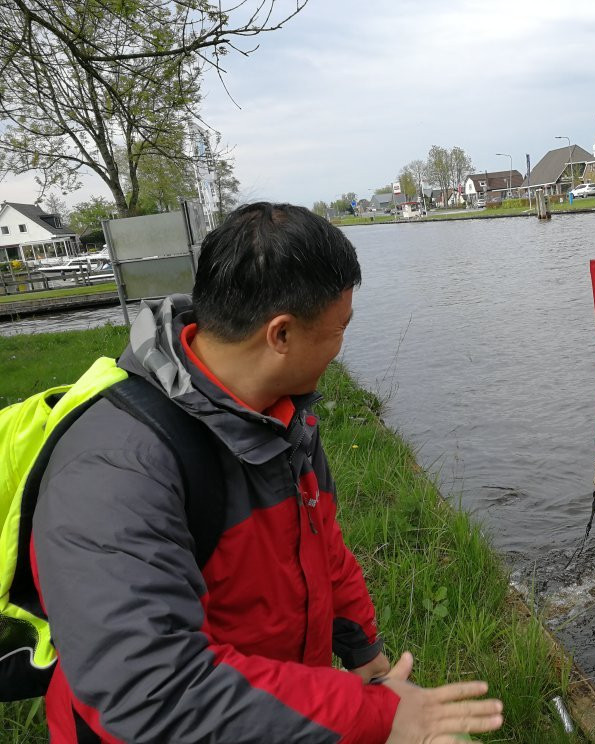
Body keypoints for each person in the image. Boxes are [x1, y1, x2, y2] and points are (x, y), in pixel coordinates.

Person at [32, 203, 504, 743]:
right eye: (340, 327)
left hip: (267, 712)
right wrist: (376, 714)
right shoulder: (114, 469)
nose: (341, 345)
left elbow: (321, 543)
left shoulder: (282, 413)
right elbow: (152, 694)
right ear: (280, 335)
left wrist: (364, 653)